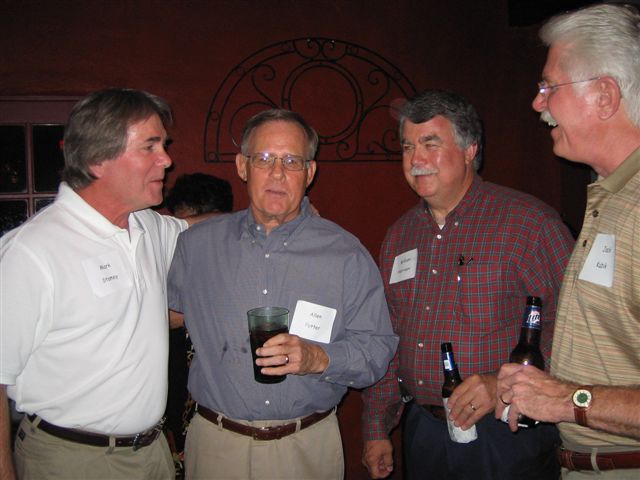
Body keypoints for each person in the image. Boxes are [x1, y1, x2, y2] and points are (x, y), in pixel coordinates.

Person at [167, 108, 398, 479]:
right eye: (264, 159)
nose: (277, 173)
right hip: (216, 447)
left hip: (307, 447)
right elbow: (163, 319)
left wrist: (319, 358)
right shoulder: (196, 247)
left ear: (310, 172)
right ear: (242, 166)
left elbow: (377, 350)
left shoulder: (345, 254)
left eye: (292, 161)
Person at [361, 89, 575, 479]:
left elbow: (573, 327)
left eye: (431, 144)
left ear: (469, 149)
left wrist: (505, 385)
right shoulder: (399, 236)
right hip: (424, 430)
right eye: (408, 147)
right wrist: (378, 425)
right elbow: (389, 335)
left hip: (505, 430)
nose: (416, 159)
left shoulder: (528, 224)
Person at [0, 88, 187, 480]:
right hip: (72, 460)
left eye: (163, 145)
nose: (167, 159)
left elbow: (203, 233)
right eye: (150, 146)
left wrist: (270, 218)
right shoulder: (33, 252)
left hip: (151, 452)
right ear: (98, 159)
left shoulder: (147, 225)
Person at [495, 4, 640, 478]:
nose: (537, 103)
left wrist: (567, 399)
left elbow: (575, 398)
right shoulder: (610, 195)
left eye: (549, 87)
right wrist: (543, 387)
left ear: (604, 95)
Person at [163, 173, 233, 478]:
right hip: (177, 400)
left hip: (219, 410)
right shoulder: (176, 258)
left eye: (184, 218)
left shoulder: (237, 254)